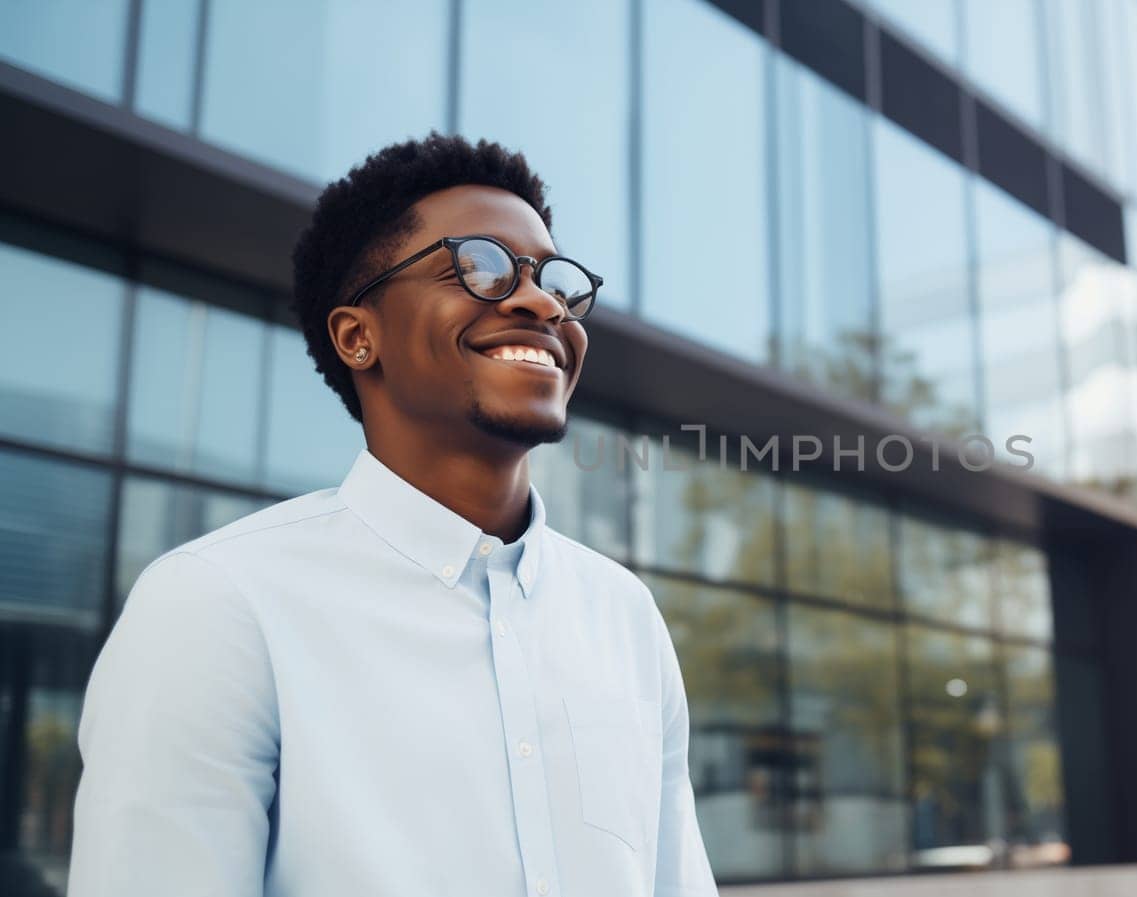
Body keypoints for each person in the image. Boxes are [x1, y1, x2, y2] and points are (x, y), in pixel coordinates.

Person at [66, 132, 719, 897]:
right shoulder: (217, 603)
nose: (542, 303)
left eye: (556, 281)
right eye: (479, 266)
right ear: (358, 336)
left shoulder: (626, 616)